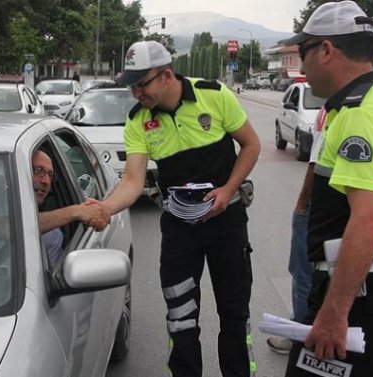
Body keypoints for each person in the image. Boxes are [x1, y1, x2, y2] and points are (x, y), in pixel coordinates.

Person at [95, 40, 260, 377]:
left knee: (234, 314)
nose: (135, 93)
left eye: (141, 84)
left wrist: (228, 190)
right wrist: (104, 208)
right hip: (179, 232)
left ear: (166, 75)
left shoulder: (213, 96)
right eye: (131, 85)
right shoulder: (138, 121)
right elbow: (132, 181)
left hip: (226, 225)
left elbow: (251, 144)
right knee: (181, 319)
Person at [283, 2, 373, 376]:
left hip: (362, 295)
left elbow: (368, 220)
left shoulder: (359, 113)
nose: (302, 67)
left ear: (327, 50)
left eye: (304, 53)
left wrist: (334, 312)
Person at [267, 107, 326, 354]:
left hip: (320, 205)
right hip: (342, 205)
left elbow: (317, 160)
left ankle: (300, 336)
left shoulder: (336, 108)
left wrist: (302, 204)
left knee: (303, 270)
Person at [32, 149, 107, 264]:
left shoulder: (52, 236)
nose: (46, 181)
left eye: (50, 175)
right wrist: (76, 211)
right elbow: (7, 227)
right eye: (38, 170)